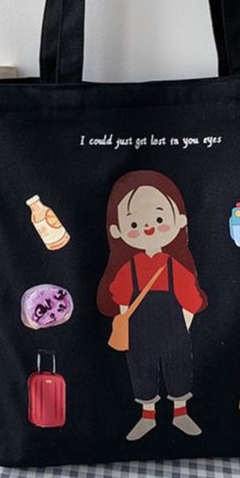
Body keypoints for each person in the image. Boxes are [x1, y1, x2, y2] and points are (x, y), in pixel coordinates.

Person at [97, 170, 207, 441]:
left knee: (178, 366)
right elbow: (123, 302)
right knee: (141, 368)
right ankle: (147, 416)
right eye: (134, 224)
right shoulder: (129, 269)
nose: (147, 229)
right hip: (139, 331)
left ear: (179, 221)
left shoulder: (173, 267)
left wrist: (182, 329)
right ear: (117, 230)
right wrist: (127, 328)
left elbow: (190, 301)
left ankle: (180, 413)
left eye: (159, 219)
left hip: (174, 329)